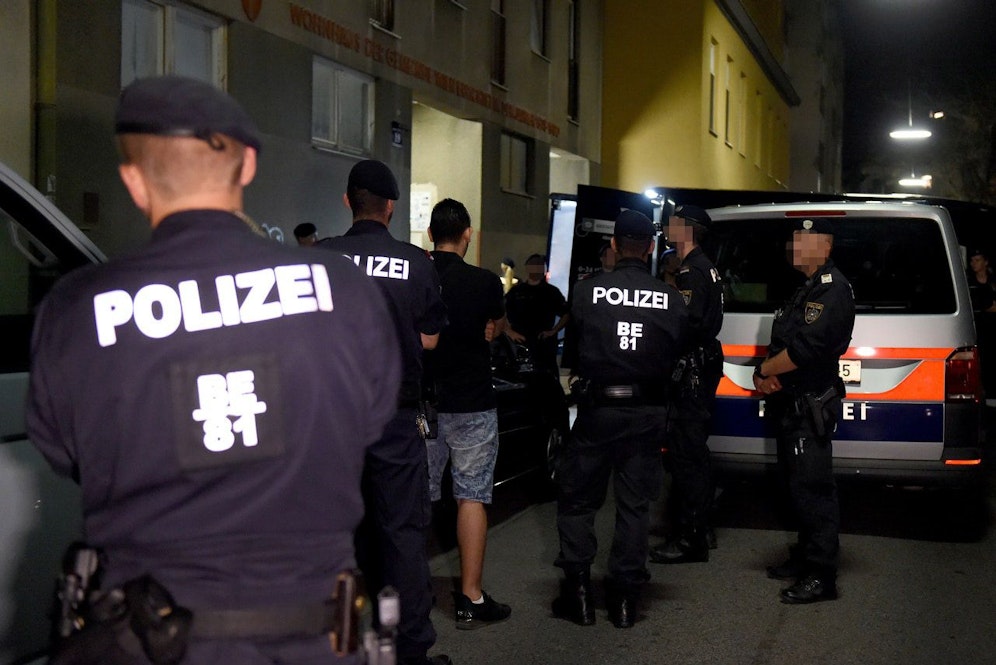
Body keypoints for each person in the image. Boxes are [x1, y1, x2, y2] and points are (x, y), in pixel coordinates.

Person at [25, 75, 402, 664]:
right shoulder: (345, 293)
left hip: (144, 640)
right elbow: (370, 424)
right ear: (247, 165)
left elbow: (65, 452)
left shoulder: (73, 312)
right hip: (316, 638)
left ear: (132, 179)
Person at [318, 160, 450, 665]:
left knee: (336, 535)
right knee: (402, 535)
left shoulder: (319, 258)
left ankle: (336, 645)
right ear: (391, 207)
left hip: (333, 421)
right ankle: (407, 648)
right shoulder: (415, 263)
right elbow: (431, 338)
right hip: (393, 418)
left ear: (348, 200)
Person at [552, 209, 688, 629]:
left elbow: (572, 354)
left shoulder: (585, 291)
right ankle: (625, 601)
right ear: (649, 247)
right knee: (634, 506)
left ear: (614, 245)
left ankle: (579, 595)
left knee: (577, 500)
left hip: (598, 411)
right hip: (647, 414)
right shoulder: (671, 299)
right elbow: (676, 356)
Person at [753, 217, 855, 604]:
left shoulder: (834, 290)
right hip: (791, 400)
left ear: (824, 246)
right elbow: (785, 340)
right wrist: (768, 375)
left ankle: (821, 574)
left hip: (809, 404)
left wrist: (765, 371)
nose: (793, 247)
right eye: (793, 240)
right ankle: (805, 555)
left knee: (814, 489)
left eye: (802, 240)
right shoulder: (807, 289)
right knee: (796, 486)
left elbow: (805, 350)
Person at [424, 198, 512, 630]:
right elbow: (495, 324)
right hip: (473, 402)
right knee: (471, 495)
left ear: (429, 235)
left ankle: (411, 591)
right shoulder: (484, 282)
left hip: (422, 404)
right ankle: (470, 598)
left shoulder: (414, 275)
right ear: (467, 235)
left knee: (415, 497)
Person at [650, 204, 724, 565]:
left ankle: (689, 538)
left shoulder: (693, 272)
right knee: (694, 453)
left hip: (692, 370)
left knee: (686, 455)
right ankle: (700, 528)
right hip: (701, 366)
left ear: (688, 229)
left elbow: (686, 325)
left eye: (674, 223)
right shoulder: (702, 268)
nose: (667, 227)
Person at [504, 253, 570, 376]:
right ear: (527, 268)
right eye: (534, 265)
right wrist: (509, 331)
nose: (537, 268)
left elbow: (566, 314)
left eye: (540, 265)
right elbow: (499, 311)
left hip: (543, 345)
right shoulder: (516, 291)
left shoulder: (551, 292)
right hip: (520, 344)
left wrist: (553, 331)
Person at [967, 248, 996, 401]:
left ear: (985, 262)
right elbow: (983, 305)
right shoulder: (969, 282)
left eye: (977, 260)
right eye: (972, 260)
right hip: (978, 328)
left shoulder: (992, 280)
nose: (973, 264)